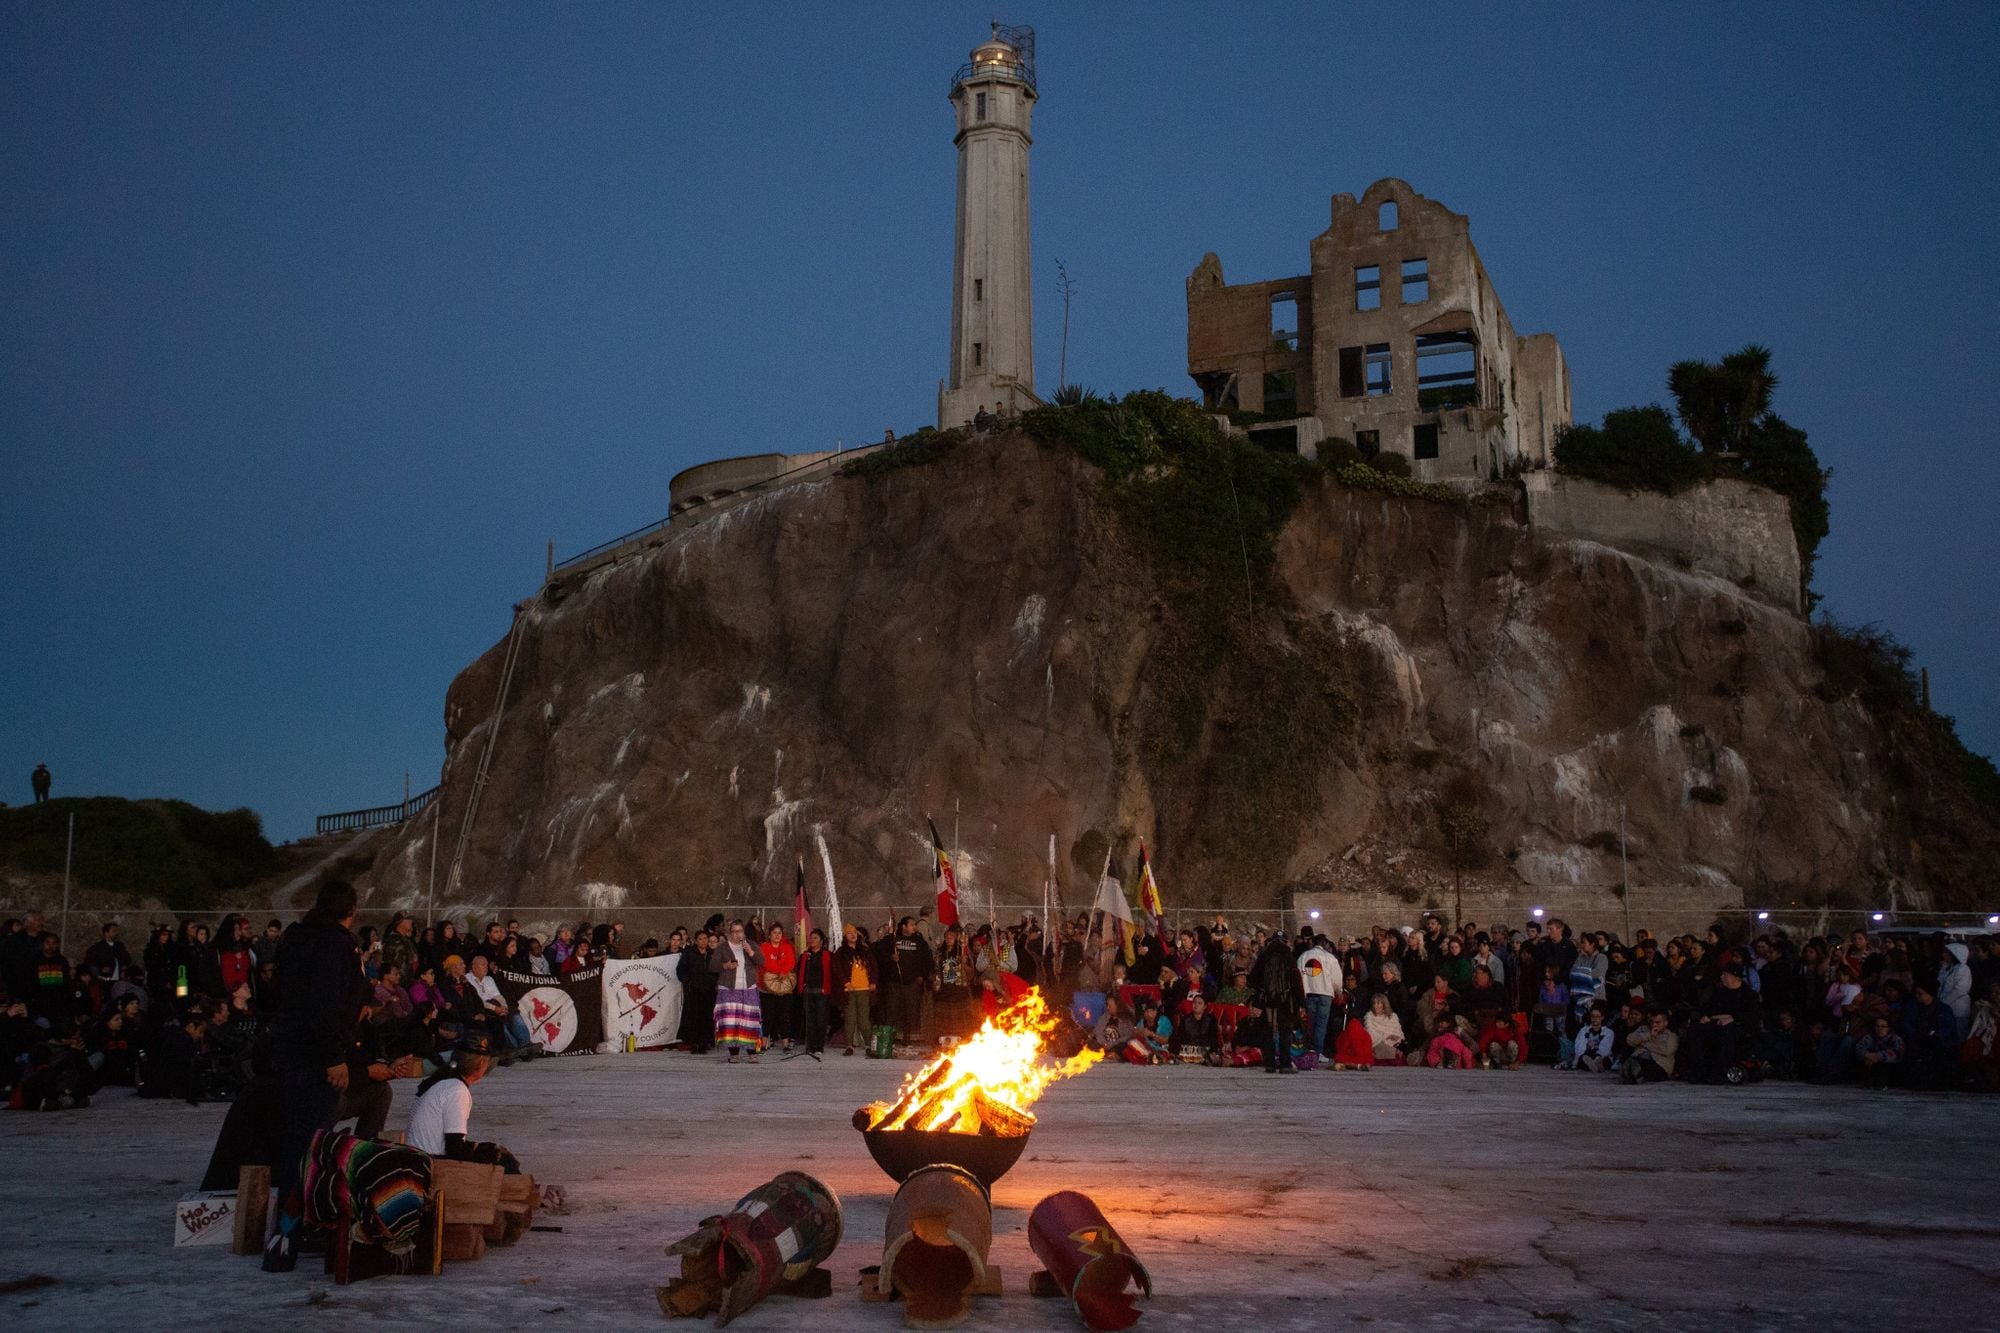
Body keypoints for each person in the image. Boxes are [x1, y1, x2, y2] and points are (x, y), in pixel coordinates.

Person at [263, 878, 367, 1273]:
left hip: (289, 1052)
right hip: (314, 1058)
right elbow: (326, 1006)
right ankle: (287, 1235)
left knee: (298, 1141)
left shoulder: (297, 939)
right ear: (350, 911)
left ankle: (293, 1226)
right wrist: (334, 1057)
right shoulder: (335, 944)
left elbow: (280, 995)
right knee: (309, 1145)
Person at [405, 1035, 517, 1172]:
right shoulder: (457, 1091)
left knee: (492, 1150)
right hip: (430, 1163)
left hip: (420, 1156)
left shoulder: (446, 1082)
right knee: (505, 1164)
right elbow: (455, 1148)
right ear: (481, 1064)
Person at [1682, 965, 1760, 1085]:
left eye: (1725, 975)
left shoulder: (1749, 995)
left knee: (1728, 1032)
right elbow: (1709, 1009)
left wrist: (1732, 1018)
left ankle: (1719, 1071)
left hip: (1738, 1027)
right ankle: (1699, 1070)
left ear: (1735, 978)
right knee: (1695, 1030)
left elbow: (1751, 1016)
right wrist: (1706, 1016)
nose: (1722, 977)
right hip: (1716, 1023)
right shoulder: (1719, 992)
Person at [710, 921, 764, 1064]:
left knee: (750, 1021)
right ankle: (734, 1054)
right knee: (732, 1022)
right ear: (729, 933)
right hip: (729, 989)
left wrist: (750, 952)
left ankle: (752, 1053)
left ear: (743, 933)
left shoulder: (751, 944)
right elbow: (712, 966)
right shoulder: (723, 948)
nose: (736, 934)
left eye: (739, 931)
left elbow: (761, 960)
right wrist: (725, 965)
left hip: (748, 988)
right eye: (733, 931)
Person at [1252, 931, 1303, 1073]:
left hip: (1267, 1001)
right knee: (1285, 1032)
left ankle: (1270, 1063)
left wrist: (1258, 1000)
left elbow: (1253, 979)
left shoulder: (1264, 957)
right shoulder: (1289, 957)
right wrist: (1301, 1003)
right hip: (1285, 1001)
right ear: (1285, 942)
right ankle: (1285, 1064)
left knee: (1268, 1032)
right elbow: (1296, 982)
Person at [466, 955, 532, 1051]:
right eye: (482, 965)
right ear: (473, 967)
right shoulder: (468, 979)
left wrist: (504, 1007)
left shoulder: (489, 979)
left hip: (496, 1006)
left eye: (487, 965)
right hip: (482, 1008)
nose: (486, 967)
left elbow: (498, 996)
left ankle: (525, 1044)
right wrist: (495, 1009)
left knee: (515, 1015)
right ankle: (515, 1047)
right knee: (498, 1022)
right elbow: (477, 1001)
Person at [834, 924, 876, 1056]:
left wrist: (873, 982)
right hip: (849, 990)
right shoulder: (841, 952)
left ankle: (868, 1045)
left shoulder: (865, 950)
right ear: (845, 936)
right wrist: (845, 982)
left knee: (864, 1019)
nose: (853, 935)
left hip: (864, 989)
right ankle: (849, 1046)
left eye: (855, 933)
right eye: (850, 933)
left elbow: (874, 967)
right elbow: (837, 969)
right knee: (850, 1019)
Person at [1296, 935, 1341, 1057]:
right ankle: (1319, 1052)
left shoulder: (1303, 957)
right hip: (1325, 994)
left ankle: (1309, 1050)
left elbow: (1299, 976)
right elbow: (1336, 978)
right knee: (1321, 1025)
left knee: (1311, 1023)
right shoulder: (1330, 958)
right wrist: (1338, 991)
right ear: (1324, 944)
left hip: (1309, 993)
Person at [758, 923, 798, 1053]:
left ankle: (785, 1043)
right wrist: (778, 971)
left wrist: (784, 971)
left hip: (783, 987)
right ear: (769, 935)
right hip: (766, 988)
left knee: (784, 1015)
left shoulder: (787, 947)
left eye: (779, 933)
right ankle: (764, 1042)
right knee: (767, 1015)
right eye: (774, 933)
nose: (777, 935)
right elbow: (765, 962)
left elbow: (791, 961)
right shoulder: (763, 947)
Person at [678, 930, 718, 1053]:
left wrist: (714, 982)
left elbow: (717, 971)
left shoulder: (712, 954)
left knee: (706, 1017)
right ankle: (694, 1042)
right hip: (694, 991)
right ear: (696, 941)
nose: (703, 941)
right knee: (693, 1017)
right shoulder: (689, 953)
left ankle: (705, 1042)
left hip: (709, 992)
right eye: (700, 939)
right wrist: (688, 982)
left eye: (705, 938)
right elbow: (681, 970)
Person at [795, 929, 833, 1057]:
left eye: (815, 938)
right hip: (809, 991)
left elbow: (830, 974)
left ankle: (819, 1045)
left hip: (822, 992)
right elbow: (800, 972)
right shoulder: (805, 956)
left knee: (821, 1020)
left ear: (821, 941)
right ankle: (810, 1045)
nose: (812, 940)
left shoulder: (827, 955)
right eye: (811, 938)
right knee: (810, 1020)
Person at [1621, 1009, 1679, 1083]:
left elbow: (1666, 1051)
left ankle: (1634, 1075)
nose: (1654, 1025)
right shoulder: (1643, 1029)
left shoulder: (1671, 1036)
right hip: (1638, 1058)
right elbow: (1629, 1040)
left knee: (1645, 1065)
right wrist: (1649, 1035)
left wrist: (1642, 1043)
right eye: (1652, 1022)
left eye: (1657, 1022)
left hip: (1659, 1065)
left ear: (1665, 1023)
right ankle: (1634, 1075)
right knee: (1635, 1061)